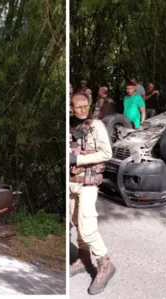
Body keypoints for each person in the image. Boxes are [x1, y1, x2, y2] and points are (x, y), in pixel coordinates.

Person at [69, 93, 115, 295]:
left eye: (85, 106)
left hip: (87, 182)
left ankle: (105, 264)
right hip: (71, 183)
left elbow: (107, 154)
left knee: (87, 227)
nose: (82, 110)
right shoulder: (68, 125)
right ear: (70, 108)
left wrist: (77, 160)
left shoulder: (95, 126)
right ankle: (83, 257)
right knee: (76, 224)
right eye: (77, 107)